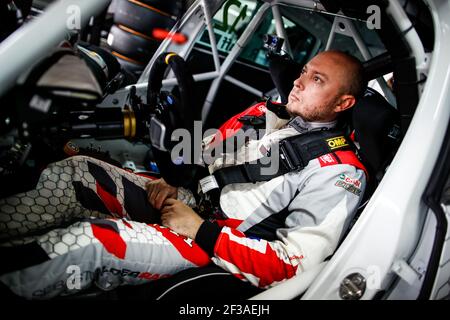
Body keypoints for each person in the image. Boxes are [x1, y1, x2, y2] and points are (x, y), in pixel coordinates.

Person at [0, 50, 368, 299]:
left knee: (93, 241)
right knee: (78, 173)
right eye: (304, 71)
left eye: (317, 79)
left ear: (343, 103)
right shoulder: (266, 112)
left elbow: (293, 266)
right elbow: (209, 150)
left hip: (215, 244)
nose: (299, 82)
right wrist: (174, 179)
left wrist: (199, 229)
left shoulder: (340, 173)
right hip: (190, 201)